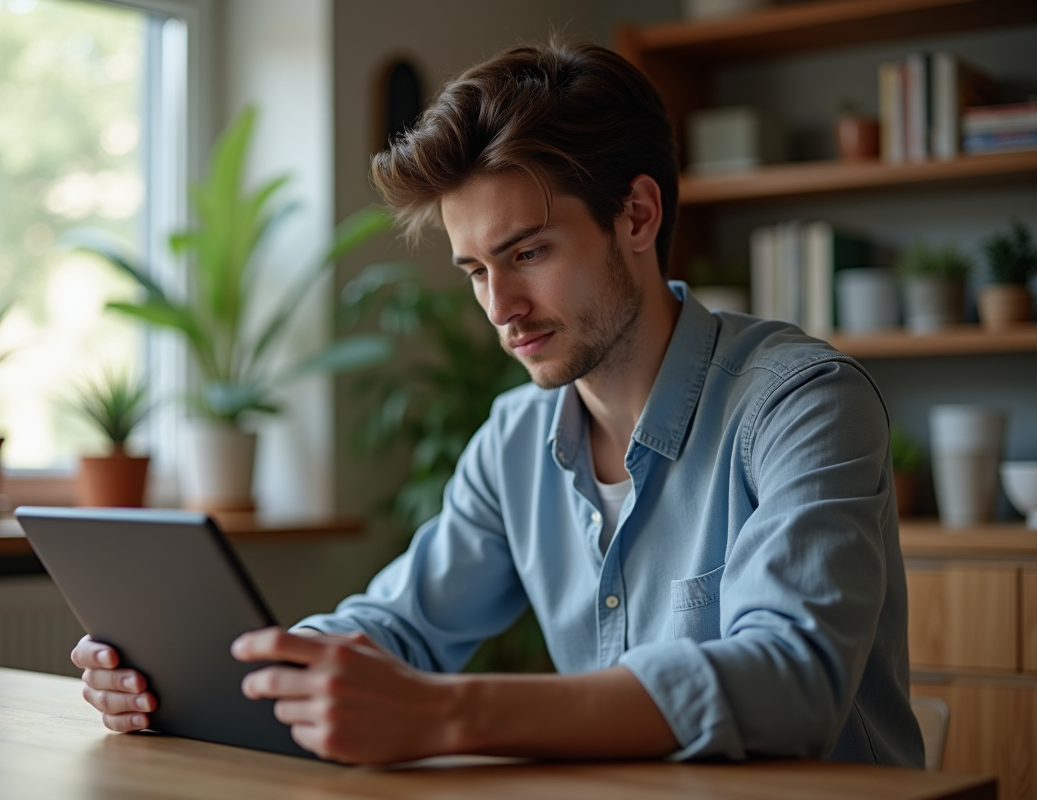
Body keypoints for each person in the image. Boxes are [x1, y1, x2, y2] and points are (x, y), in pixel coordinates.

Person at [72, 39, 925, 768]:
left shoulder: (804, 405)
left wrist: (444, 714)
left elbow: (793, 679)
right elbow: (397, 627)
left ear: (636, 214)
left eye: (528, 252)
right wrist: (210, 677)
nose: (499, 307)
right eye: (476, 269)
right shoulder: (517, 439)